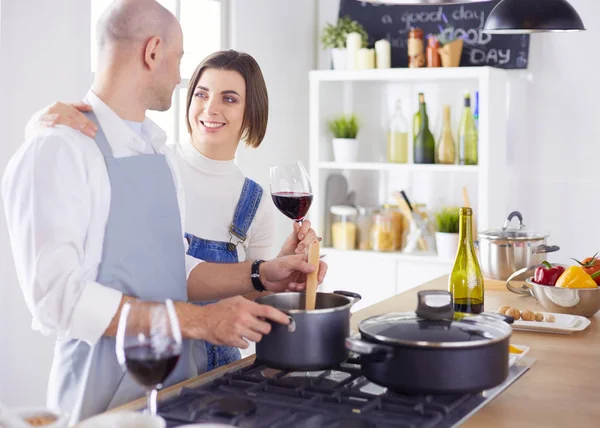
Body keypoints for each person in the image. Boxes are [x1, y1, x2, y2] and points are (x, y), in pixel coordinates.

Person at [1, 0, 326, 423]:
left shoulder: (157, 153)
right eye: (180, 60)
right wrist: (199, 323)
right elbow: (58, 300)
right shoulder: (57, 147)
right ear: (153, 52)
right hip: (98, 408)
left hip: (176, 396)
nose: (180, 78)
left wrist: (262, 274)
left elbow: (175, 268)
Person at [29, 49, 323, 374]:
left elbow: (247, 303)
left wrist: (271, 276)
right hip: (145, 356)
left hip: (215, 365)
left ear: (251, 113)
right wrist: (38, 126)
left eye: (229, 99)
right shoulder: (153, 163)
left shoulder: (255, 202)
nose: (210, 108)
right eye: (201, 93)